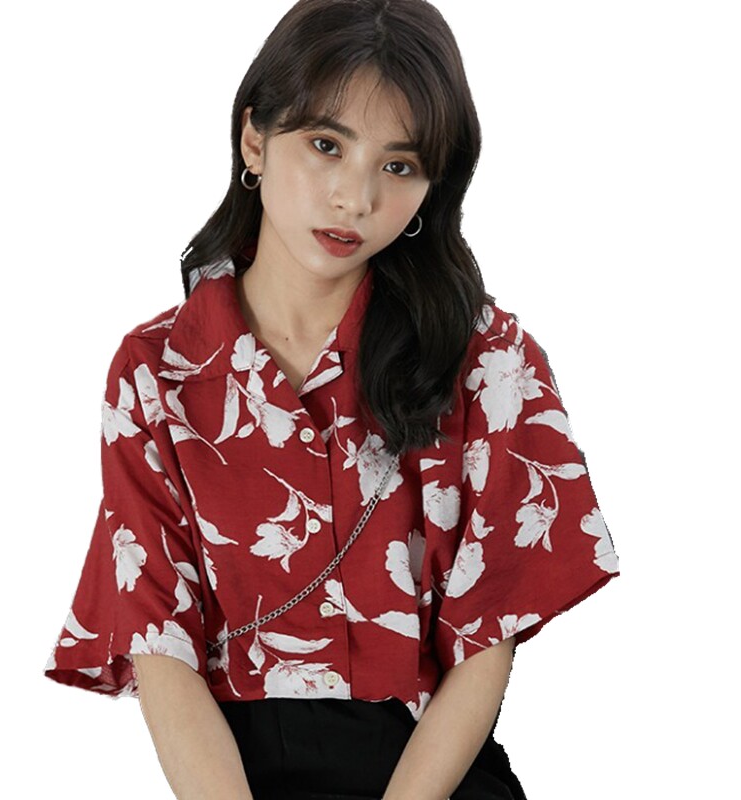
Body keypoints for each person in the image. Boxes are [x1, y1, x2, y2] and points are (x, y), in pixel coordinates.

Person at [43, 1, 621, 798]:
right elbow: (158, 641)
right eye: (326, 146)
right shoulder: (157, 371)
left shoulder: (489, 361)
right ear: (254, 139)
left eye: (399, 166)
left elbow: (489, 636)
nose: (355, 198)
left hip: (430, 776)